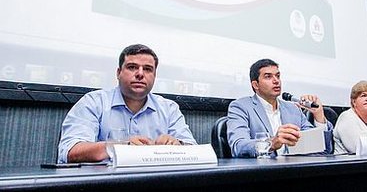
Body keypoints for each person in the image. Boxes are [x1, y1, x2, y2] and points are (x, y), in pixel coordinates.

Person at [57, 44, 197, 163]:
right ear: (118, 73)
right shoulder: (94, 102)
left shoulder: (169, 108)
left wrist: (178, 144)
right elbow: (71, 152)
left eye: (148, 69)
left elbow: (195, 151)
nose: (140, 74)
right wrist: (122, 146)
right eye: (132, 67)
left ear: (154, 76)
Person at [226, 59, 333, 158]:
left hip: (295, 170)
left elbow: (322, 149)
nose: (276, 81)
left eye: (277, 76)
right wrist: (271, 144)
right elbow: (238, 146)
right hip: (263, 174)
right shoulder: (240, 107)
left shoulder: (293, 108)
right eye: (268, 77)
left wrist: (319, 116)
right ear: (255, 85)